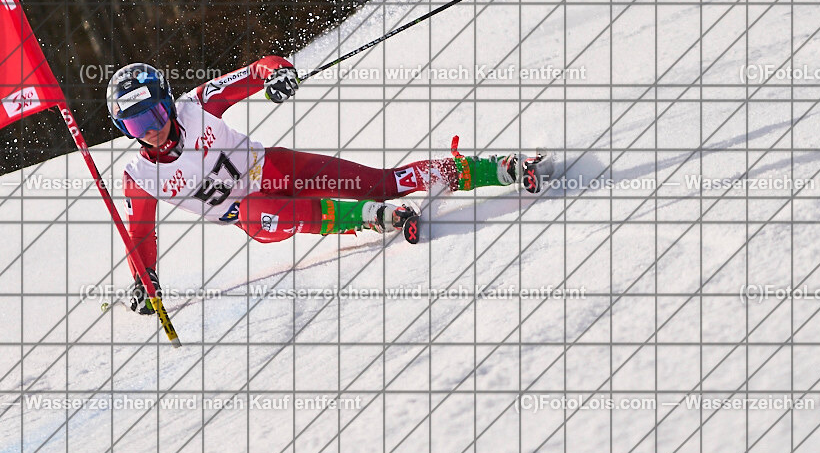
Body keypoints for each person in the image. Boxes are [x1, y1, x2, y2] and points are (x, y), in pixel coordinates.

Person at [107, 57, 554, 314]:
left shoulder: (197, 105)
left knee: (378, 183)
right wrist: (145, 282)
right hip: (253, 214)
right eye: (134, 124)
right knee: (259, 209)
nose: (150, 130)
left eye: (154, 115)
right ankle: (364, 219)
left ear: (167, 101)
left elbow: (259, 69)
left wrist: (277, 75)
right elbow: (141, 234)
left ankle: (495, 170)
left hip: (272, 168)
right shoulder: (140, 176)